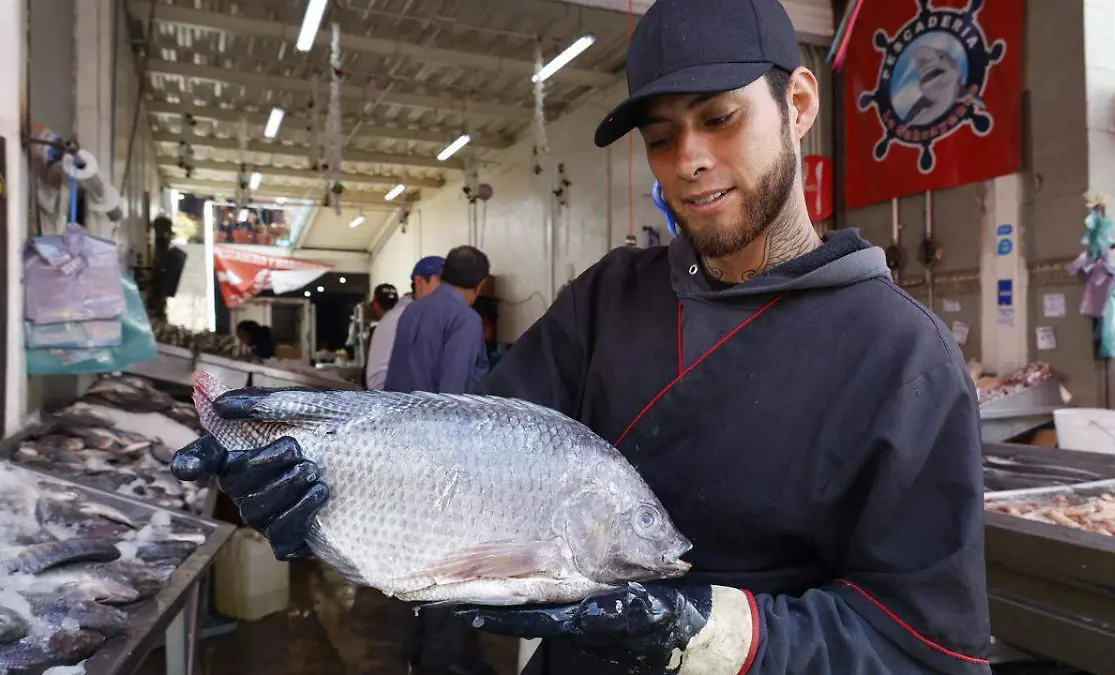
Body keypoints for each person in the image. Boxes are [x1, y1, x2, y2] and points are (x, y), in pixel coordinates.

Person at [169, 0, 990, 673]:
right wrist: (315, 491)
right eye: (662, 136)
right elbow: (458, 465)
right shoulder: (611, 297)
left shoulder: (901, 358)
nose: (691, 160)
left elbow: (924, 648)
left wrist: (700, 630)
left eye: (720, 117)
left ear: (799, 105)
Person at [382, 245, 491, 394]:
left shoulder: (412, 309)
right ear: (480, 284)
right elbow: (452, 391)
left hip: (398, 411)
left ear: (443, 274)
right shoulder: (466, 319)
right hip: (434, 416)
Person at [364, 256, 445, 390]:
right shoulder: (396, 319)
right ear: (419, 282)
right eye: (441, 281)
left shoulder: (437, 315)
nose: (446, 289)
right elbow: (376, 380)